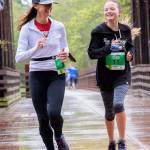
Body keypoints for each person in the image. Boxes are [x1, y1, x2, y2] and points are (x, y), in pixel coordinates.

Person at [15, 0, 69, 150]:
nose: (49, 7)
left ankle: (59, 136)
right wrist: (35, 48)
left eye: (50, 4)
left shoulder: (59, 26)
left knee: (54, 112)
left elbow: (65, 46)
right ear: (36, 6)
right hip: (37, 74)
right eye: (45, 4)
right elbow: (19, 57)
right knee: (43, 118)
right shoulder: (27, 28)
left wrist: (66, 53)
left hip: (56, 72)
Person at [88, 0, 134, 150]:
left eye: (112, 9)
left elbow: (131, 48)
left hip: (122, 74)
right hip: (105, 76)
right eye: (106, 9)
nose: (109, 11)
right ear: (104, 13)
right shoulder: (98, 31)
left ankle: (122, 141)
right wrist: (109, 47)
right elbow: (92, 53)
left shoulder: (126, 30)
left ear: (118, 11)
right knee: (109, 112)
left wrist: (130, 55)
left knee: (118, 104)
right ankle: (111, 141)